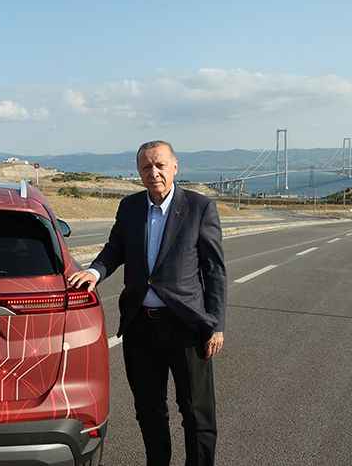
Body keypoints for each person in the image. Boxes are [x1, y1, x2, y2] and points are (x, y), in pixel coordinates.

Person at [68, 140, 226, 466]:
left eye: (160, 165)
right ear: (139, 172)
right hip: (140, 325)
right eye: (146, 167)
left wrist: (216, 324)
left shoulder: (199, 207)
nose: (153, 173)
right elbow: (115, 248)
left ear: (175, 167)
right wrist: (95, 272)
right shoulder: (130, 207)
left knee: (196, 412)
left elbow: (214, 270)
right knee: (149, 409)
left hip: (186, 325)